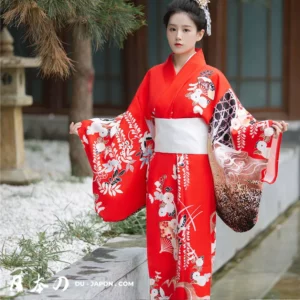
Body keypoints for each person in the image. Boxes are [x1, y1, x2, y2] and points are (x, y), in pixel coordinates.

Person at [69, 0, 288, 299]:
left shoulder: (212, 78)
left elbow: (237, 123)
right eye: (172, 29)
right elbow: (132, 122)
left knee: (195, 244)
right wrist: (92, 129)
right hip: (160, 173)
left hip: (198, 173)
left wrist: (265, 129)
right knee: (163, 245)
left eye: (186, 30)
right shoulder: (153, 76)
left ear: (200, 34)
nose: (178, 36)